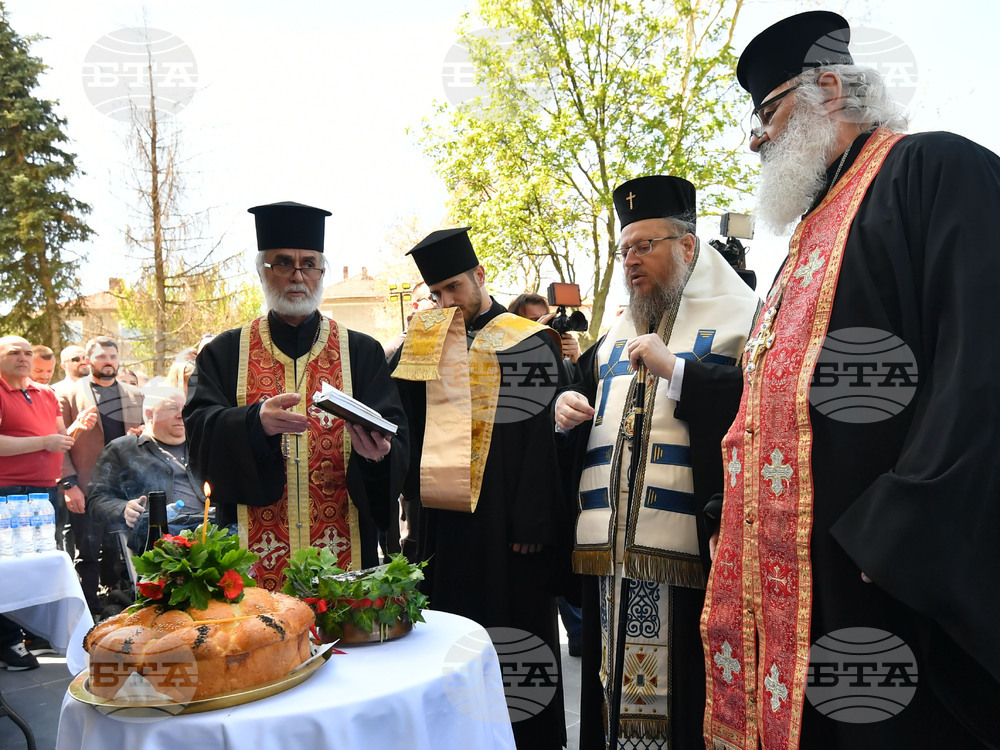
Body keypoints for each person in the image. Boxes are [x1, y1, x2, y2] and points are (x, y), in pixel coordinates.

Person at [700, 12, 1000, 749]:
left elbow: (982, 359)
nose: (755, 138)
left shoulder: (936, 169)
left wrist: (905, 530)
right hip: (804, 577)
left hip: (886, 576)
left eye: (765, 113)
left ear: (828, 88)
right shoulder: (812, 227)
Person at [553, 176, 759, 748]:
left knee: (684, 704)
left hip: (692, 558)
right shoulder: (614, 336)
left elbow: (759, 405)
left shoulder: (745, 320)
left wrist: (681, 372)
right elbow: (589, 410)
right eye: (625, 249)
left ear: (688, 247)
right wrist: (565, 412)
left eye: (646, 246)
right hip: (611, 560)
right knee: (607, 695)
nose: (631, 261)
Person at [391, 228, 570, 749]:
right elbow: (403, 420)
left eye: (453, 288)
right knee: (448, 638)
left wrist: (533, 521)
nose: (447, 302)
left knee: (513, 642)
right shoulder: (423, 340)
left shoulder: (526, 337)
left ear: (479, 276)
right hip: (442, 527)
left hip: (506, 527)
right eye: (437, 293)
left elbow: (539, 436)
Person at [184, 201, 408, 592]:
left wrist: (378, 458)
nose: (298, 276)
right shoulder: (224, 352)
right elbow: (198, 434)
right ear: (262, 271)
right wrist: (254, 423)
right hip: (252, 557)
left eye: (310, 264)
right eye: (283, 263)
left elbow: (397, 439)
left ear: (321, 270)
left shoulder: (362, 352)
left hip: (345, 544)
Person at [0, 336, 95, 671]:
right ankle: (8, 641)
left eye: (28, 352)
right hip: (5, 492)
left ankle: (34, 633)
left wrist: (76, 429)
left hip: (42, 493)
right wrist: (45, 441)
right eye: (14, 352)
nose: (24, 357)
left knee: (38, 562)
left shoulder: (46, 394)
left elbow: (57, 440)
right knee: (7, 567)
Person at [59, 336, 144, 615]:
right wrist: (69, 484)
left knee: (126, 550)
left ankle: (127, 605)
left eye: (113, 357)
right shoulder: (66, 395)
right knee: (87, 552)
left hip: (128, 488)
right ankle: (89, 611)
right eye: (101, 357)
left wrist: (143, 436)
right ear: (88, 361)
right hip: (87, 486)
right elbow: (58, 445)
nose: (108, 362)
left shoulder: (136, 395)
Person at [88, 387, 210, 552]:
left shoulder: (202, 445)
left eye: (185, 409)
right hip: (162, 540)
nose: (181, 415)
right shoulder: (123, 449)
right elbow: (97, 500)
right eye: (172, 408)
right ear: (150, 414)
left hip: (211, 529)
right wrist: (124, 509)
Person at [507, 292, 581, 366]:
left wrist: (576, 361)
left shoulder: (558, 357)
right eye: (534, 321)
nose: (543, 325)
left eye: (546, 320)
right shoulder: (504, 355)